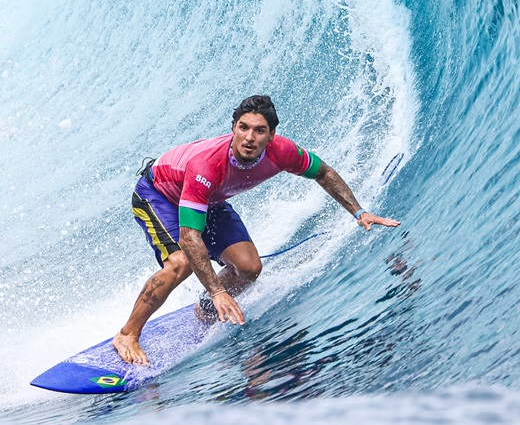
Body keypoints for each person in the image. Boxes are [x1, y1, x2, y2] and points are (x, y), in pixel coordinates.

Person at [112, 94, 401, 365]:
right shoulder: (208, 165)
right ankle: (128, 334)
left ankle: (205, 311)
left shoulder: (282, 152)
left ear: (271, 135)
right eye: (243, 128)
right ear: (233, 127)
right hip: (159, 194)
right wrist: (216, 290)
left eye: (259, 131)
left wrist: (359, 212)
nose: (250, 138)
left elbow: (323, 172)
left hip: (208, 199)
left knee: (249, 268)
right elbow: (189, 237)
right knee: (180, 262)